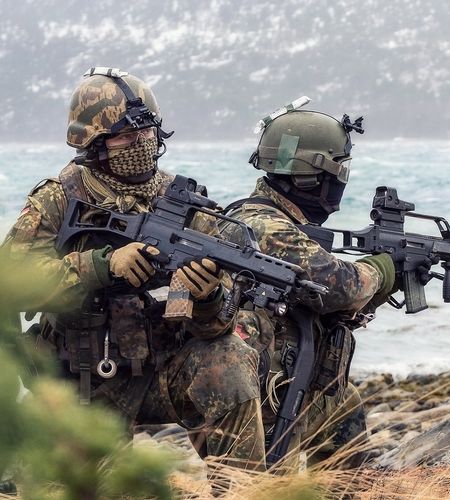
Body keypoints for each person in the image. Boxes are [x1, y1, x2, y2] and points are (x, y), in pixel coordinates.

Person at [1, 68, 265, 470]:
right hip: (81, 384)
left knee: (229, 356)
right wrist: (100, 267)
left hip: (163, 372)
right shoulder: (57, 199)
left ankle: (243, 491)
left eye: (147, 132)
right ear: (93, 142)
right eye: (126, 135)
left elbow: (213, 329)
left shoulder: (185, 204)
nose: (140, 143)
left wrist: (208, 297)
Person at [220, 100, 396, 466]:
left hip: (280, 379)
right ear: (309, 175)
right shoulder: (267, 227)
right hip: (255, 395)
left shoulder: (265, 218)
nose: (341, 181)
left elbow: (320, 296)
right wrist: (384, 270)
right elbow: (339, 285)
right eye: (339, 170)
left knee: (342, 404)